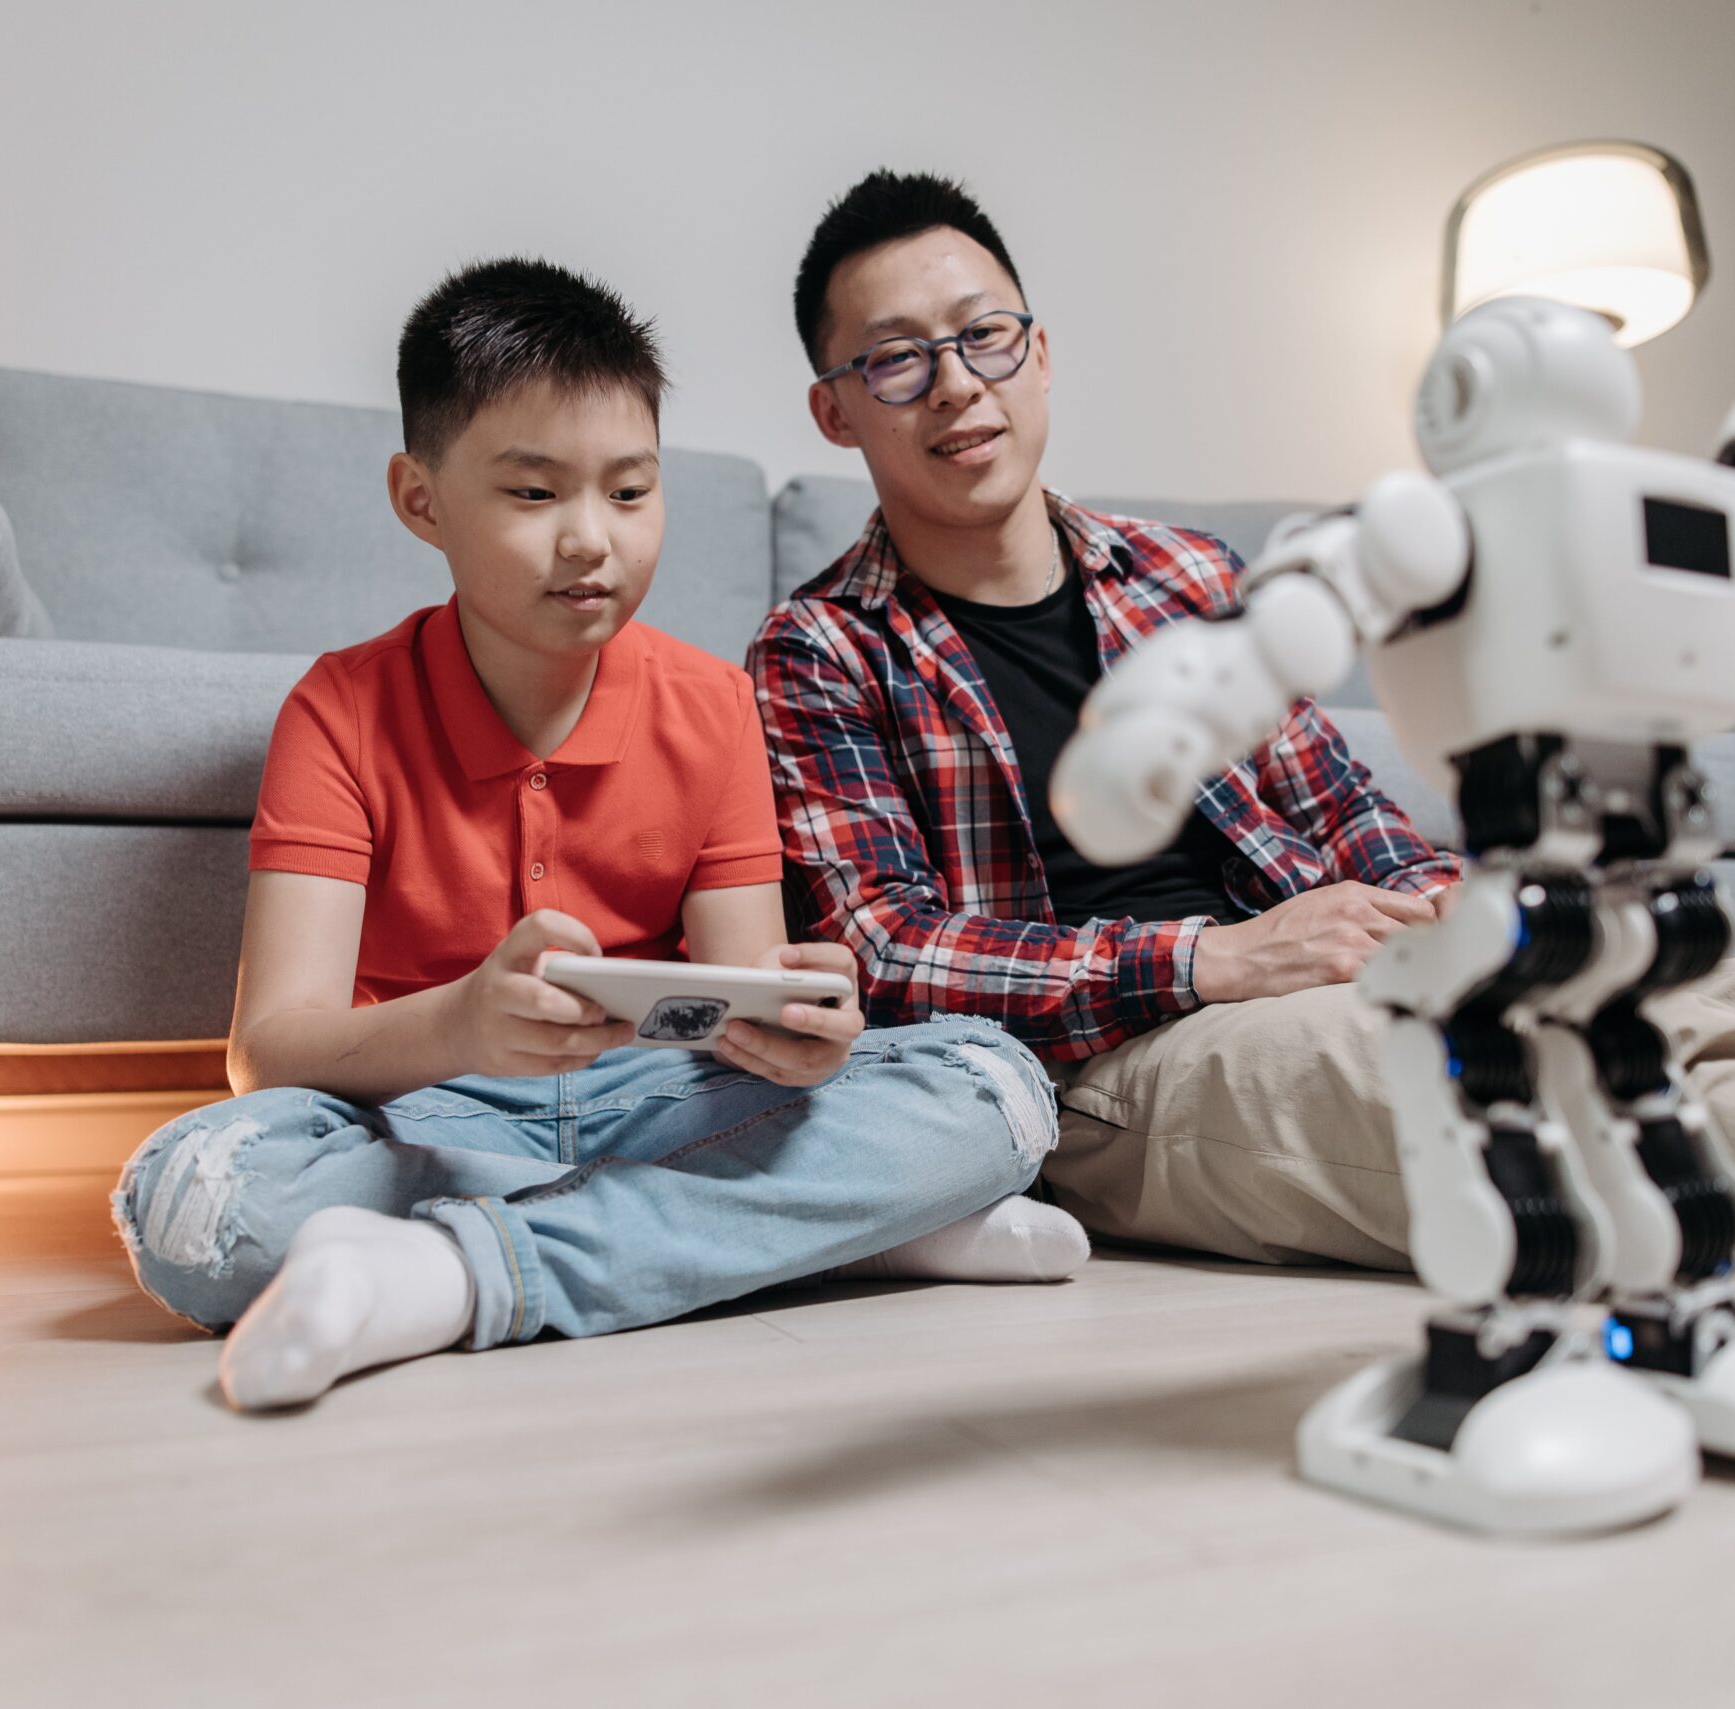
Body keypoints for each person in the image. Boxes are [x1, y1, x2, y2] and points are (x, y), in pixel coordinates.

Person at [748, 170, 1735, 1350]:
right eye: (895, 357)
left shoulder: (1181, 571)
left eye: (984, 334)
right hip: (1137, 1060)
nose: (955, 386)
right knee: (1625, 1120)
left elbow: (1346, 811)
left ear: (1038, 349)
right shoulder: (819, 650)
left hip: (1356, 959)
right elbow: (880, 949)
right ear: (837, 406)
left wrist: (1446, 905)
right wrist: (1209, 961)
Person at [114, 257, 1080, 1413]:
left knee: (994, 1085)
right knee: (193, 1199)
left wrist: (797, 1034)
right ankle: (811, 1227)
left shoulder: (714, 701)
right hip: (424, 1111)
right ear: (420, 499)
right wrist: (467, 1019)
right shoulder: (339, 707)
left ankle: (437, 1273)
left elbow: (742, 997)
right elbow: (268, 1050)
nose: (591, 541)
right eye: (534, 495)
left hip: (657, 1097)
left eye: (629, 492)